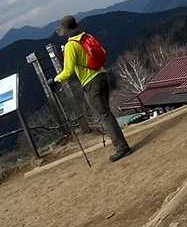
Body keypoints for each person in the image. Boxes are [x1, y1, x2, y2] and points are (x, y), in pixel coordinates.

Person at [52, 15, 132, 162]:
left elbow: (68, 71)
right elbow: (102, 52)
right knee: (106, 113)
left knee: (104, 115)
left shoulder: (71, 45)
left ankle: (122, 148)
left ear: (65, 31)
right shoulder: (87, 37)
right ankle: (122, 145)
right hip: (102, 75)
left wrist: (55, 80)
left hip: (90, 82)